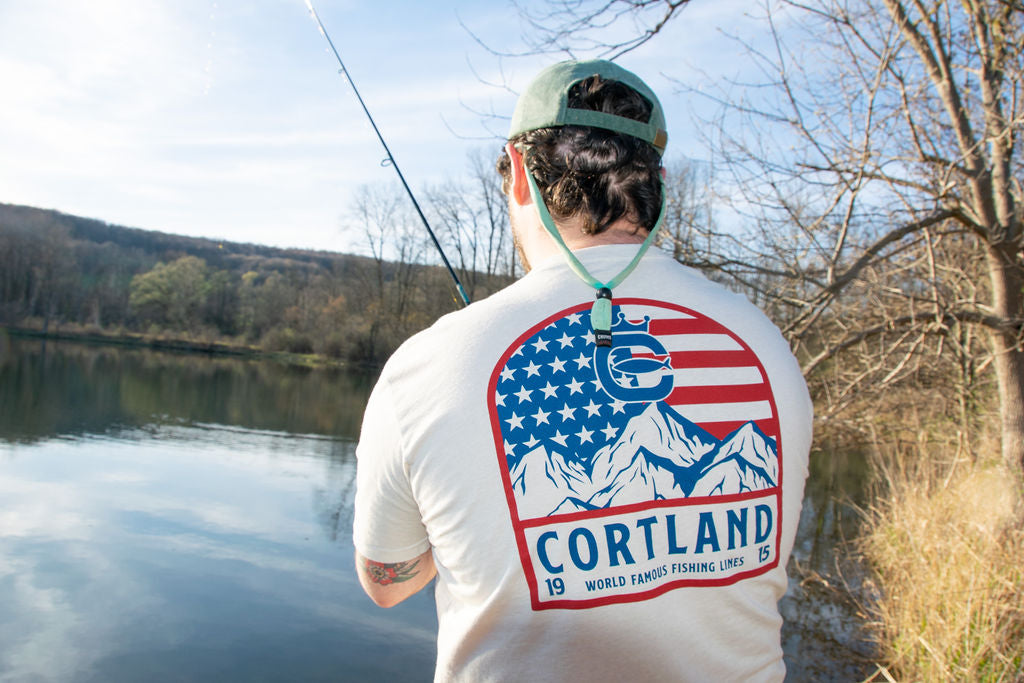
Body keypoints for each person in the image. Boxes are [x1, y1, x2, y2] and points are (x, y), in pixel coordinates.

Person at [353, 59, 812, 682]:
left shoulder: (427, 365)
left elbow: (387, 582)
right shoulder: (765, 344)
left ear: (519, 172)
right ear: (659, 183)